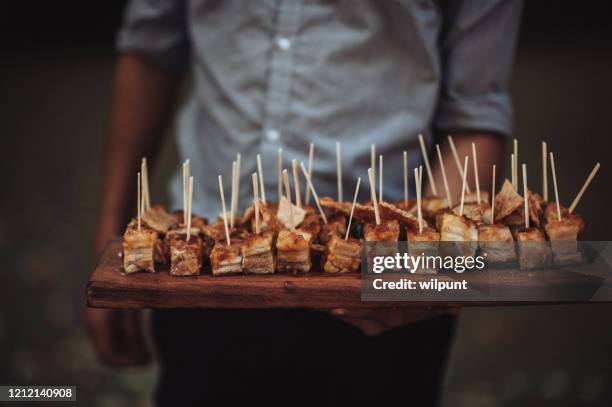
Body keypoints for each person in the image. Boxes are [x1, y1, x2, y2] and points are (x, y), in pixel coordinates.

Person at [86, 1, 522, 405]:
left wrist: (432, 269)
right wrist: (109, 236)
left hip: (385, 283)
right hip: (200, 266)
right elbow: (150, 46)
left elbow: (475, 108)